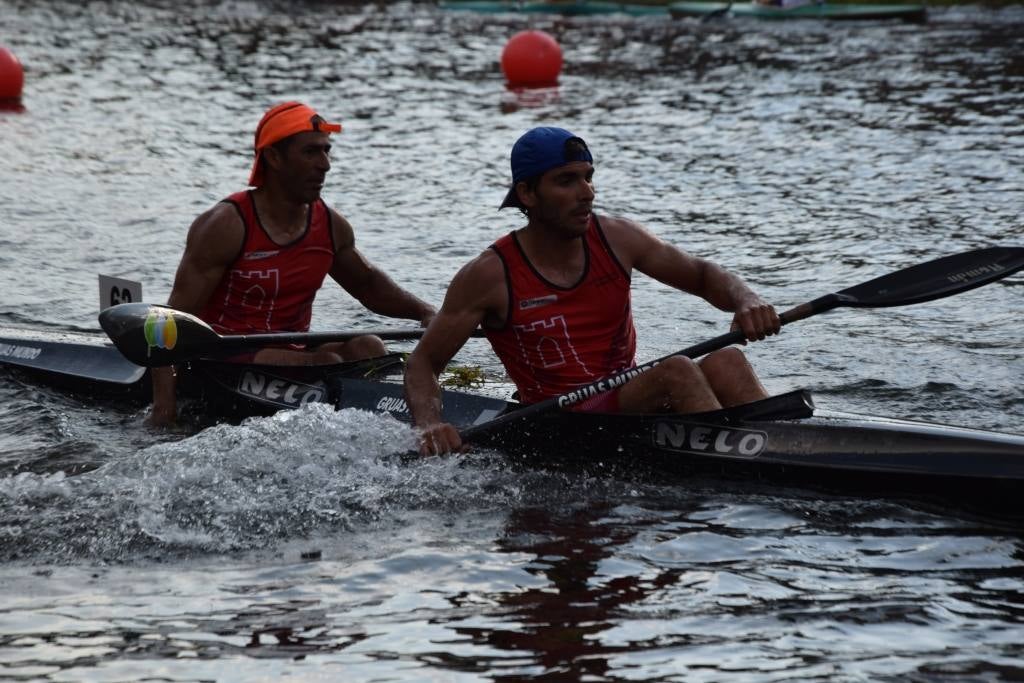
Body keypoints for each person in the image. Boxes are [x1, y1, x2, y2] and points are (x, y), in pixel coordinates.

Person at [403, 126, 780, 455]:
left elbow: (701, 275)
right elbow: (422, 364)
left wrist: (746, 299)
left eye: (588, 177)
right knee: (676, 371)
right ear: (527, 193)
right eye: (566, 181)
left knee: (727, 360)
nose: (587, 192)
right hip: (559, 418)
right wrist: (430, 425)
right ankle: (739, 465)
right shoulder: (490, 275)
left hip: (625, 395)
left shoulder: (618, 238)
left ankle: (788, 447)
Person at [149, 101, 435, 426]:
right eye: (311, 152)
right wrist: (164, 409)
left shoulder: (330, 226)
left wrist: (425, 312)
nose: (325, 165)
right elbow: (170, 324)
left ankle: (405, 409)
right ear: (273, 157)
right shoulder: (226, 226)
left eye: (326, 151)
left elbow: (368, 285)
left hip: (292, 350)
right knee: (327, 360)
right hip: (222, 358)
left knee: (369, 347)